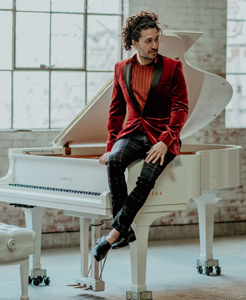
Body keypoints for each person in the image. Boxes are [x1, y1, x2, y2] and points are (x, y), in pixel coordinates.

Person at [93, 10, 189, 261]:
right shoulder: (120, 69)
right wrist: (110, 145)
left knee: (146, 177)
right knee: (114, 161)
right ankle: (123, 230)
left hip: (162, 135)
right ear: (134, 43)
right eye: (148, 41)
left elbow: (181, 108)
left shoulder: (172, 67)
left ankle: (115, 233)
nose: (155, 45)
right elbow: (116, 110)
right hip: (134, 131)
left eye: (157, 39)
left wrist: (165, 142)